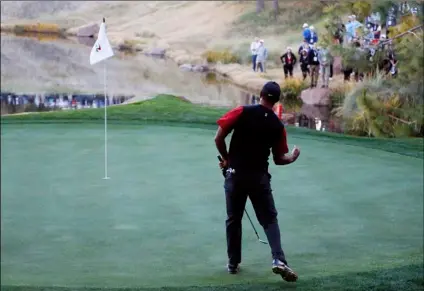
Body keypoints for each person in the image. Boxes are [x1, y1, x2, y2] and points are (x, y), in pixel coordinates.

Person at [214, 81, 300, 282]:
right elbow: (280, 159)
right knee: (269, 219)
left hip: (235, 175)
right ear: (276, 100)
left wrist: (227, 159)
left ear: (260, 94)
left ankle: (233, 264)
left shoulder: (242, 111)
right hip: (259, 178)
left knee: (233, 219)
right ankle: (278, 260)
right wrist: (294, 157)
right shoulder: (278, 126)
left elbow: (218, 138)